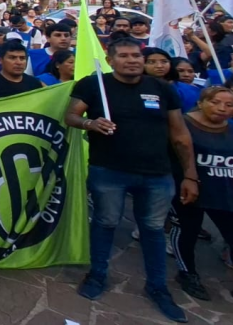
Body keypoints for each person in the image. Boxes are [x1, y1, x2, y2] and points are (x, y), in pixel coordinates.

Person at [65, 37, 197, 323]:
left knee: (152, 230)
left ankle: (158, 286)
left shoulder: (162, 88)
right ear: (111, 60)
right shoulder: (92, 84)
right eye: (124, 56)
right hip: (108, 171)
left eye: (137, 55)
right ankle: (97, 274)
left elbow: (180, 134)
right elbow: (71, 116)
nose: (133, 60)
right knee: (105, 222)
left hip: (158, 174)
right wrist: (91, 123)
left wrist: (190, 175)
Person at [168, 87, 233, 300]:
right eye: (215, 102)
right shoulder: (182, 125)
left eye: (229, 105)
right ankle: (187, 273)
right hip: (186, 191)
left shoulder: (230, 129)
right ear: (201, 102)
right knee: (186, 231)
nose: (222, 108)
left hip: (224, 193)